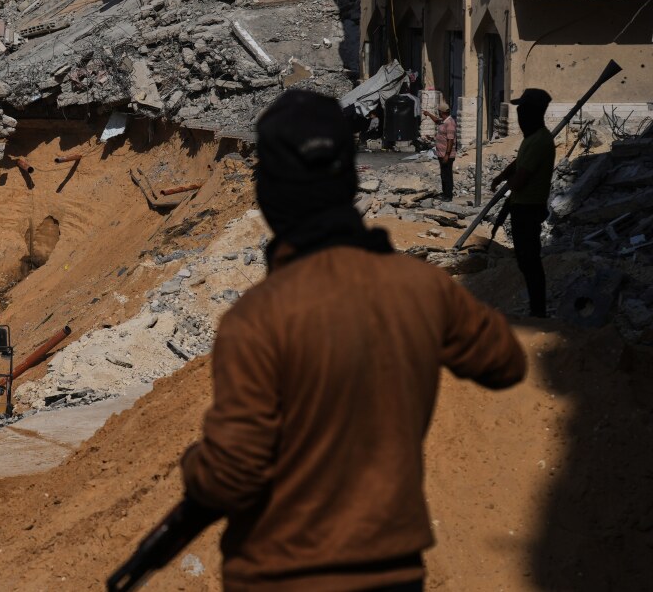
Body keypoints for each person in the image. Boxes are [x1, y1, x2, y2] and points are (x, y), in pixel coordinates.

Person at [179, 90, 527, 591]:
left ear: (271, 196)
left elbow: (230, 475)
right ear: (348, 179)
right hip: (390, 568)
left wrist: (195, 466)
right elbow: (504, 362)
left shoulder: (257, 320)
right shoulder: (421, 288)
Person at [491, 88, 555, 318]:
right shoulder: (531, 139)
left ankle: (538, 311)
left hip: (529, 208)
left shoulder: (540, 141)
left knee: (530, 261)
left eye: (522, 112)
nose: (519, 118)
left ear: (533, 114)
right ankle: (535, 307)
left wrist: (509, 184)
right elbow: (518, 164)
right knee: (525, 260)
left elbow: (521, 178)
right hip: (521, 206)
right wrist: (500, 177)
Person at [423, 101, 457, 201]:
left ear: (442, 112)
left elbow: (450, 140)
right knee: (443, 174)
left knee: (447, 175)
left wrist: (447, 155)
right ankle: (444, 192)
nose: (438, 113)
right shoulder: (444, 121)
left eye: (438, 111)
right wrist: (429, 115)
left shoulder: (450, 123)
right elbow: (437, 121)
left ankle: (448, 195)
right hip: (441, 153)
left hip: (447, 155)